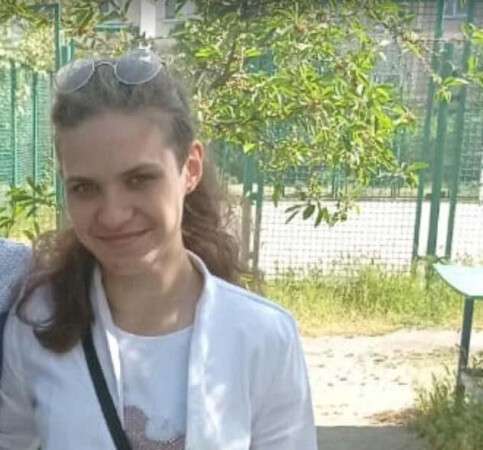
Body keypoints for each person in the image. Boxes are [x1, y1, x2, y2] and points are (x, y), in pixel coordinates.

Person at [0, 49, 317, 450]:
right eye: (84, 187)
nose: (112, 215)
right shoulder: (37, 325)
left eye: (139, 179)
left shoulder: (264, 336)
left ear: (191, 168)